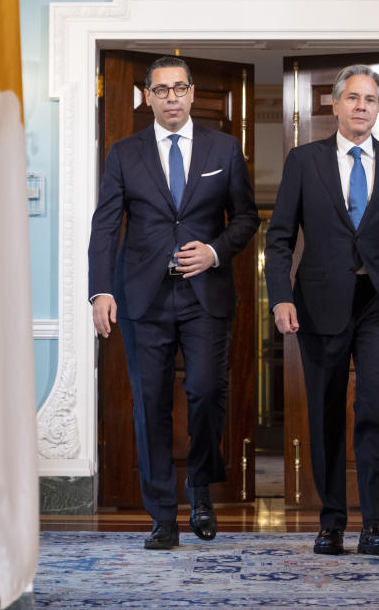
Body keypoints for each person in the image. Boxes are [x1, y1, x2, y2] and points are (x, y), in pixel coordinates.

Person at [88, 56, 259, 550]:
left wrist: (214, 251)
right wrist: (101, 291)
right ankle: (162, 514)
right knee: (151, 404)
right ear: (147, 97)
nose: (171, 98)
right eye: (160, 90)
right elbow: (105, 225)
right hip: (143, 297)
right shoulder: (124, 153)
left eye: (179, 88)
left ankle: (199, 486)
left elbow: (246, 218)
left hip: (206, 294)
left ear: (192, 93)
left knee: (206, 392)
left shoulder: (224, 148)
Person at [264, 64, 379, 557]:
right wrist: (281, 297)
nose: (361, 107)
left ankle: (376, 524)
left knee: (374, 406)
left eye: (370, 99)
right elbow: (280, 235)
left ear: (378, 107)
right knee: (327, 411)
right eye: (352, 98)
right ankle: (331, 521)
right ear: (334, 104)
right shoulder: (304, 160)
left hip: (378, 303)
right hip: (319, 303)